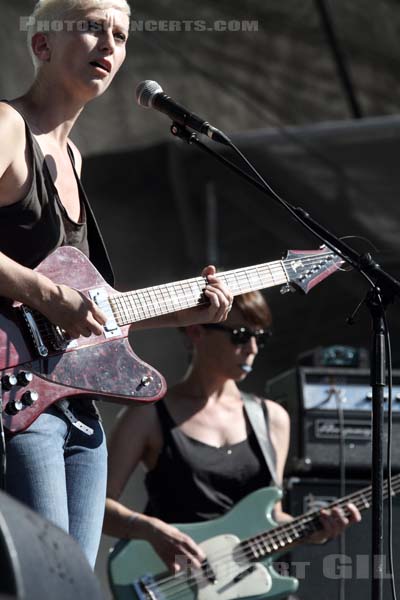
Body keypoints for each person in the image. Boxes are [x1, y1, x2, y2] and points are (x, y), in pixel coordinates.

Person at [0, 0, 232, 568]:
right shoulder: (6, 126)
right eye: (91, 27)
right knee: (42, 581)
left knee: (75, 580)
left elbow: (91, 309)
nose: (109, 45)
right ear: (41, 45)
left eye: (121, 36)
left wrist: (185, 311)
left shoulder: (75, 156)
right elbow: (56, 298)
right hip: (17, 400)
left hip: (77, 408)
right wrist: (47, 295)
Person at [104, 291, 361, 574]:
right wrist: (149, 529)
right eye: (240, 335)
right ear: (196, 330)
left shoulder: (272, 418)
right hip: (171, 581)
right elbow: (99, 508)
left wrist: (315, 530)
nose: (252, 348)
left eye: (260, 337)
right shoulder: (146, 415)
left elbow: (270, 516)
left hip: (248, 587)